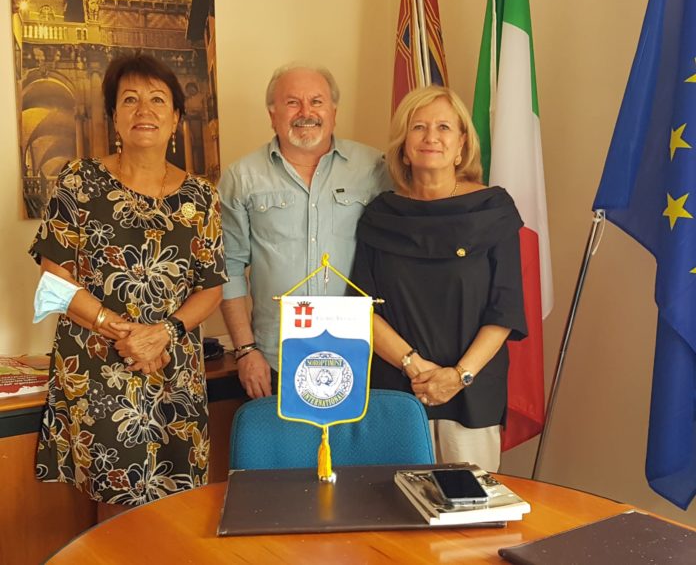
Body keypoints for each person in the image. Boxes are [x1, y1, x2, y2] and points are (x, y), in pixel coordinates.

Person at [29, 53, 227, 520]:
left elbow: (211, 287)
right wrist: (130, 336)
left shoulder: (201, 195)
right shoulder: (78, 181)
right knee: (117, 513)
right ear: (114, 116)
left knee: (180, 507)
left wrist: (163, 335)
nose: (145, 110)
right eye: (131, 99)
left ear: (176, 118)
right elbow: (55, 281)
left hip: (175, 368)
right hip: (100, 368)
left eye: (158, 100)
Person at [351, 86, 527, 472]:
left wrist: (457, 376)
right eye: (419, 127)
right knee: (394, 517)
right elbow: (362, 310)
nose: (432, 137)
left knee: (471, 519)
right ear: (403, 144)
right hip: (398, 391)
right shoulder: (381, 215)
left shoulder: (492, 209)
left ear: (462, 144)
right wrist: (414, 366)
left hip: (471, 393)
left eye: (445, 127)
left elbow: (505, 310)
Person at [218, 62, 391, 399]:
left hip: (359, 351)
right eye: (292, 102)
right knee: (286, 452)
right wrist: (244, 350)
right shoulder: (242, 177)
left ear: (334, 111)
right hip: (275, 357)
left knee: (352, 453)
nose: (306, 112)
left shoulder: (374, 169)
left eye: (317, 101)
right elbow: (230, 268)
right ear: (272, 113)